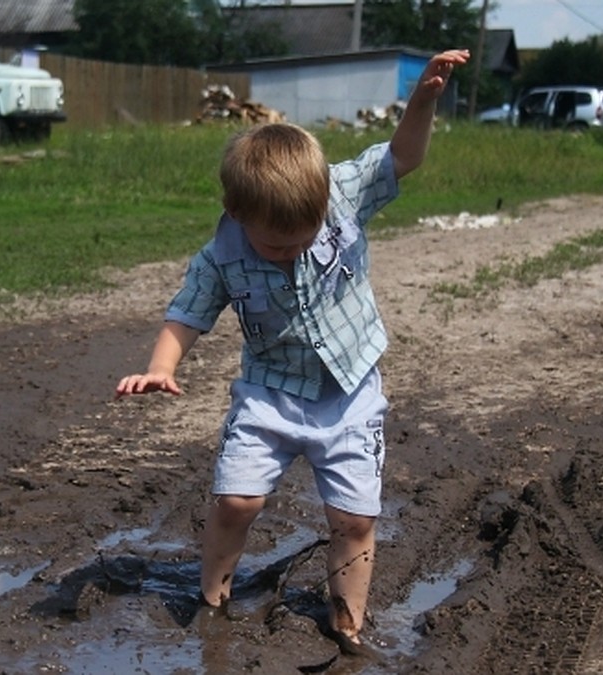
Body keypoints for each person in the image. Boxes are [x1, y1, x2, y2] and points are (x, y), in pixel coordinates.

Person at [114, 49, 471, 657]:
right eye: (275, 245)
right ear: (237, 214)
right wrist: (160, 368)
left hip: (350, 392)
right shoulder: (221, 255)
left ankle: (347, 621)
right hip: (268, 393)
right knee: (236, 500)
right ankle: (213, 598)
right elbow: (187, 314)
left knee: (354, 520)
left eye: (303, 241)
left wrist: (423, 101)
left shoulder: (341, 192)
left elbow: (402, 156)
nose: (290, 253)